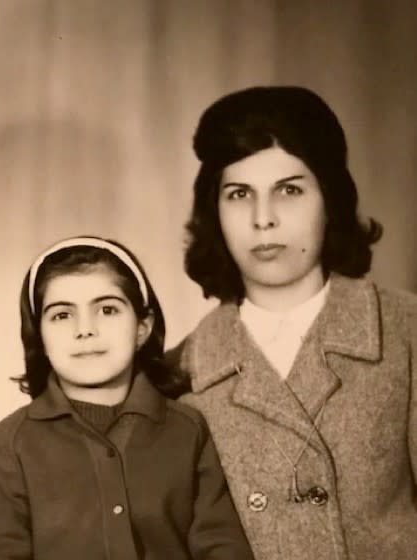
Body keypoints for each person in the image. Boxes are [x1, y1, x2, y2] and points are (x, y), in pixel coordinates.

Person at [167, 86, 417, 559]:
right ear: (212, 211)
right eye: (239, 194)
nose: (264, 219)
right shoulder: (178, 373)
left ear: (331, 199)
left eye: (289, 190)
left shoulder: (406, 333)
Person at [0, 236, 253, 560]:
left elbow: (221, 545)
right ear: (39, 335)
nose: (85, 329)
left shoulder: (187, 429)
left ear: (142, 328)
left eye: (107, 309)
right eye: (62, 315)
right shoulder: (12, 443)